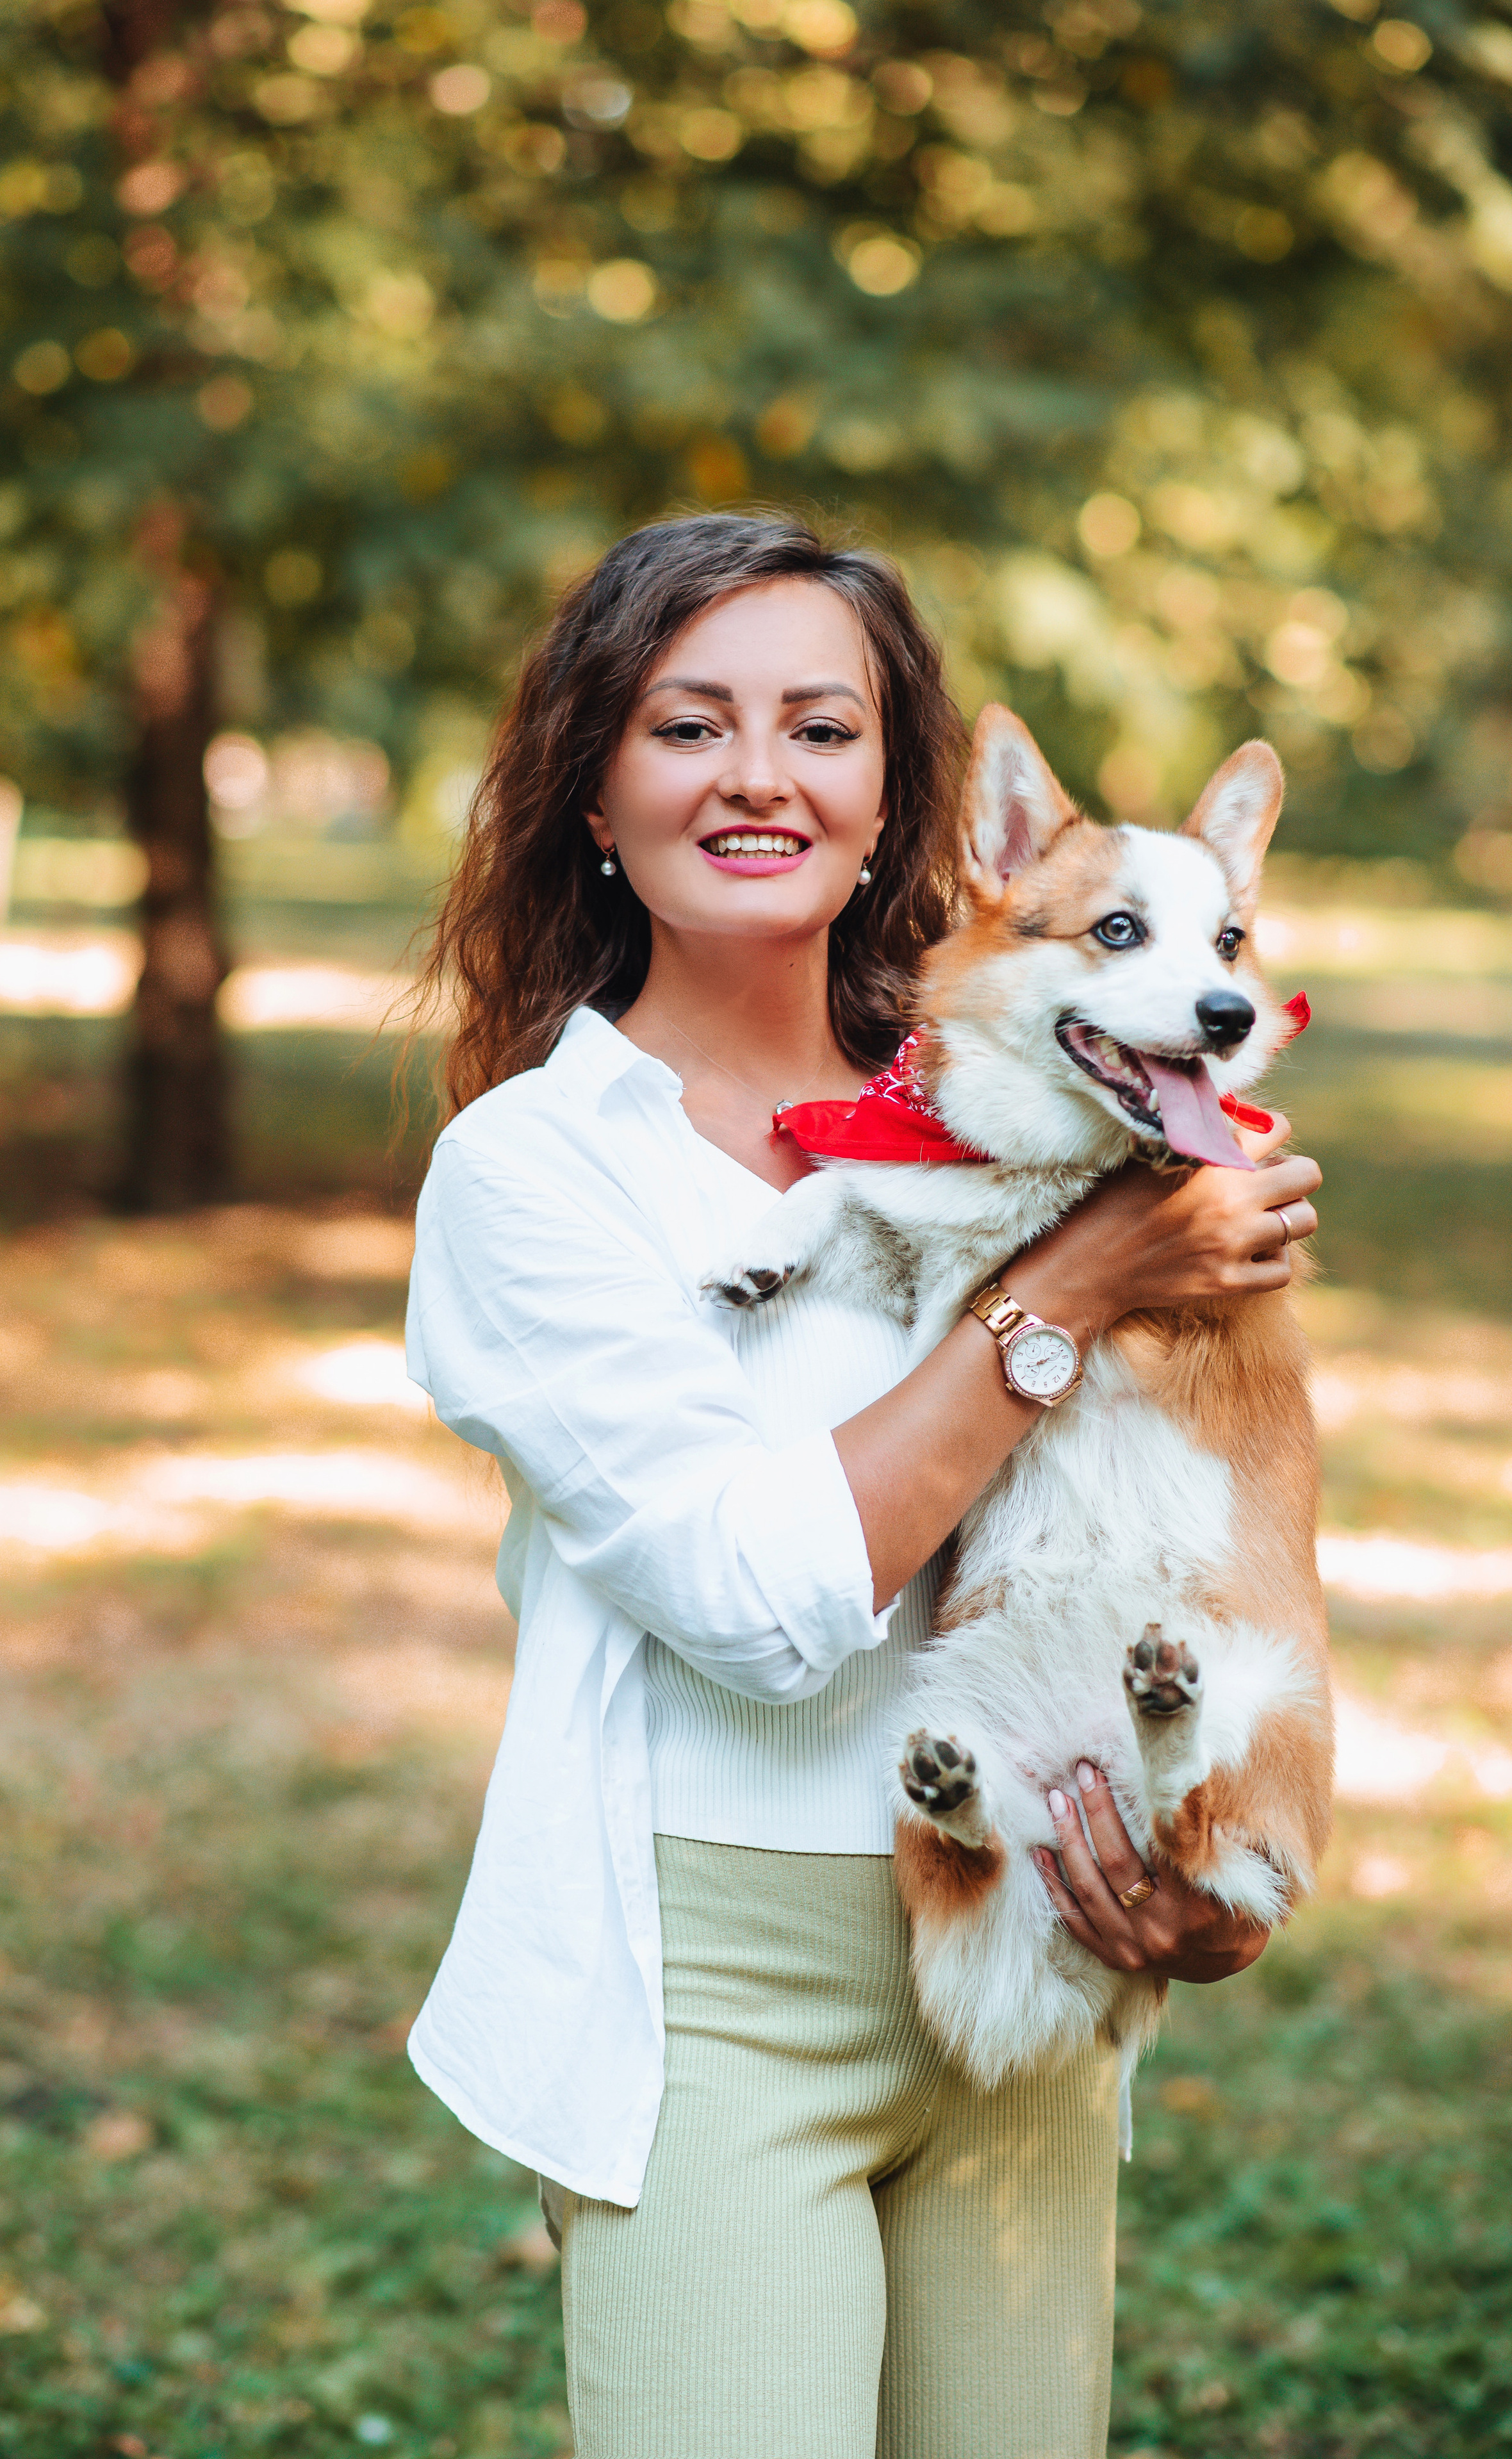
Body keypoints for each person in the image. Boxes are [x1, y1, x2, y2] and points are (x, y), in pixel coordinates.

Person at [404, 512, 1322, 2459]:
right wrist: (1079, 1285)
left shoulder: (1046, 1102)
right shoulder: (535, 1171)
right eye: (687, 725)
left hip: (1031, 1935)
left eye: (822, 727)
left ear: (894, 789)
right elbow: (755, 1601)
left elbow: (1221, 1523)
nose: (759, 775)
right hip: (715, 1992)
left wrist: (1219, 1880)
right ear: (590, 786)